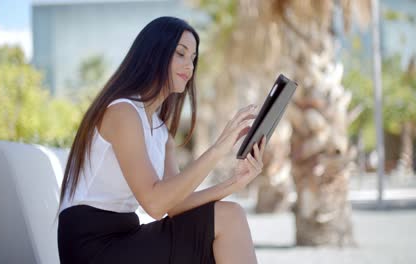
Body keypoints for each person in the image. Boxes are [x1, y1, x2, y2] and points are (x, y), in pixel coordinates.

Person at [57, 16, 266, 264]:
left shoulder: (160, 130)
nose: (189, 66)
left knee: (231, 214)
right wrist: (219, 149)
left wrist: (234, 183)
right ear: (154, 53)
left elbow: (175, 205)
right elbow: (155, 204)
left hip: (126, 236)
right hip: (92, 246)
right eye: (180, 53)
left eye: (193, 59)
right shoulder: (122, 112)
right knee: (228, 220)